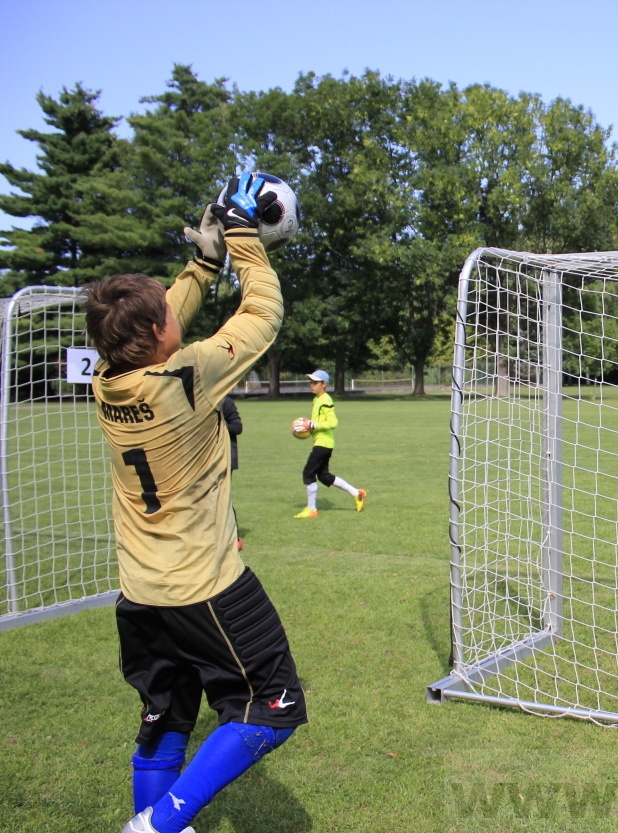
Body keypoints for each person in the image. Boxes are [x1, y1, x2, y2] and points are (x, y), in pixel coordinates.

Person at [85, 174, 307, 833]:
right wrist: (241, 239)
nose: (175, 317)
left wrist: (201, 265)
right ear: (160, 331)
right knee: (272, 708)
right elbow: (262, 313)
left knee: (166, 719)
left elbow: (159, 318)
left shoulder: (107, 378)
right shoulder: (184, 377)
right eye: (167, 315)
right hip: (204, 587)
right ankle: (158, 825)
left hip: (139, 591)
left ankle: (149, 821)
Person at [293, 369, 366, 518]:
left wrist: (312, 425)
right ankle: (357, 494)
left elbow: (333, 423)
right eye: (311, 382)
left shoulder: (326, 400)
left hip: (323, 443)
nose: (311, 385)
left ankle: (311, 510)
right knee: (324, 476)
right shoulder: (317, 400)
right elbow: (317, 423)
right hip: (322, 442)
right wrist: (305, 429)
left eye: (315, 382)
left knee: (308, 473)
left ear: (324, 384)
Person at [221, 395, 243, 550]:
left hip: (225, 458)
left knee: (223, 498)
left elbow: (237, 427)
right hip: (203, 460)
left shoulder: (225, 401)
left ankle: (234, 537)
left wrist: (217, 426)